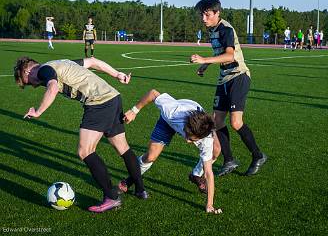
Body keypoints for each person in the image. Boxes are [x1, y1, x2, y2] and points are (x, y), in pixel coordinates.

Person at [13, 56, 146, 213]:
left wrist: (38, 111)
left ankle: (111, 197)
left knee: (85, 151)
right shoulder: (62, 63)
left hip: (99, 102)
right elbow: (92, 61)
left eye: (27, 81)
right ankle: (140, 189)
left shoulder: (44, 70)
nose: (32, 85)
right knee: (122, 147)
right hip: (113, 97)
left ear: (28, 70)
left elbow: (53, 87)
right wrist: (116, 74)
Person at [191, 0, 267, 177]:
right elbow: (219, 52)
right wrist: (206, 65)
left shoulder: (225, 29)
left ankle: (258, 155)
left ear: (217, 13)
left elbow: (230, 56)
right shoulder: (213, 30)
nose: (203, 18)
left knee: (235, 122)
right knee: (216, 122)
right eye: (202, 14)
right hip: (224, 79)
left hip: (238, 77)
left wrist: (204, 59)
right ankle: (229, 160)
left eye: (207, 14)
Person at [119, 89, 222, 214]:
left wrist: (209, 204)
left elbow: (209, 173)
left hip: (198, 121)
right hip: (167, 122)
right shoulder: (173, 112)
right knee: (150, 157)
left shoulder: (206, 139)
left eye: (192, 139)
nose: (188, 142)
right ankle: (130, 179)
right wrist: (134, 110)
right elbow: (153, 93)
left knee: (215, 151)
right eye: (187, 136)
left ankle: (195, 175)